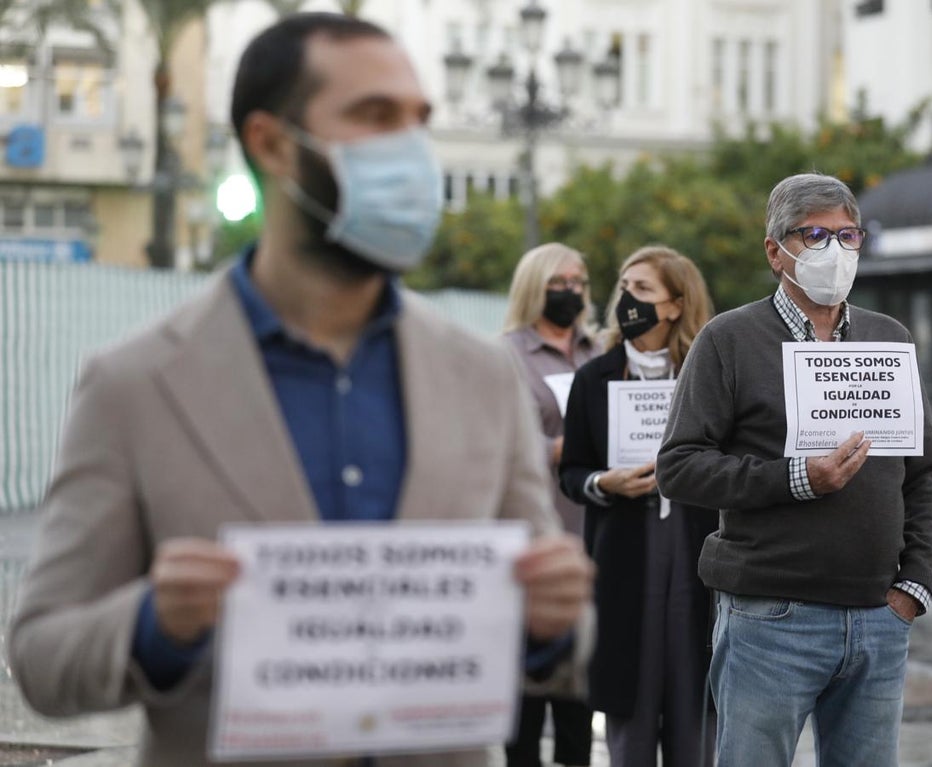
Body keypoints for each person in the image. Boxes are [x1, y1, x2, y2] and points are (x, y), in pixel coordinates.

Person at [7, 14, 594, 767]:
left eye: (418, 121)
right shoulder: (135, 384)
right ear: (271, 142)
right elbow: (44, 657)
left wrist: (554, 622)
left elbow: (560, 636)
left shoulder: (480, 376)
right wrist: (155, 623)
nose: (412, 151)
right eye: (374, 117)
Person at [657, 173, 932, 767]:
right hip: (771, 618)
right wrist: (796, 477)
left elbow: (925, 471)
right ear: (775, 250)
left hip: (877, 618)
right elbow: (680, 466)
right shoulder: (729, 341)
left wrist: (913, 585)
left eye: (848, 236)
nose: (834, 250)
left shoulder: (886, 339)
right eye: (814, 235)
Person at [559, 246, 718, 767]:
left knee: (696, 700)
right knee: (629, 697)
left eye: (643, 290)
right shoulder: (594, 377)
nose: (628, 299)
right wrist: (607, 482)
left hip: (696, 552)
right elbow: (572, 472)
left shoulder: (711, 377)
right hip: (625, 550)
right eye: (624, 287)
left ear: (675, 304)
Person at [502, 243, 598, 767]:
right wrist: (564, 447)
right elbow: (497, 445)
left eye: (579, 280)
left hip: (595, 533)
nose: (571, 291)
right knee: (526, 698)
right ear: (535, 286)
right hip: (535, 538)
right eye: (559, 281)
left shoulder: (598, 349)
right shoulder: (507, 355)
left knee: (581, 702)